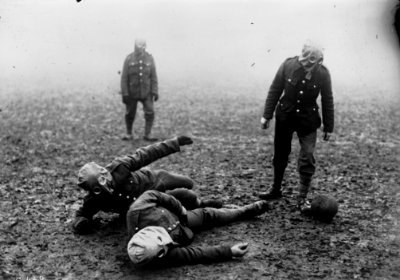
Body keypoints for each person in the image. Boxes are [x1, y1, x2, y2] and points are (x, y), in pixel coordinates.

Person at [73, 136, 221, 234]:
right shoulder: (94, 200)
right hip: (146, 201)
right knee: (186, 196)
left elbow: (147, 154)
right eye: (98, 187)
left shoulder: (120, 166)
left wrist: (174, 143)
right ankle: (200, 204)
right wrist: (82, 223)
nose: (106, 185)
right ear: (92, 190)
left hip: (154, 180)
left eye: (105, 179)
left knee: (188, 183)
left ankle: (196, 202)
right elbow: (81, 214)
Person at [259, 40, 334, 215]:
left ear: (318, 60)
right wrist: (266, 115)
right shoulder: (287, 65)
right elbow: (275, 89)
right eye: (305, 60)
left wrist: (328, 126)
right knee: (280, 153)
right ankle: (275, 189)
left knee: (307, 156)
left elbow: (327, 99)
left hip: (308, 120)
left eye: (312, 61)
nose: (307, 64)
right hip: (285, 116)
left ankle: (302, 198)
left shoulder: (323, 74)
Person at [126, 190, 271, 267]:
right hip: (182, 232)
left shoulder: (137, 210)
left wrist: (180, 210)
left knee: (207, 213)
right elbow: (193, 254)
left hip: (178, 216)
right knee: (208, 214)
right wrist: (229, 251)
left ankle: (243, 211)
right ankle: (234, 210)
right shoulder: (157, 256)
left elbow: (154, 194)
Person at [121, 38, 159, 141]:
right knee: (130, 113)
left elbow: (153, 76)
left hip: (146, 92)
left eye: (143, 45)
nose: (141, 47)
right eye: (139, 44)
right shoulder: (129, 59)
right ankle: (129, 133)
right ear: (135, 45)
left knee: (150, 112)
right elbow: (124, 78)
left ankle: (148, 134)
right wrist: (125, 93)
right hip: (132, 92)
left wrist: (155, 91)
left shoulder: (149, 58)